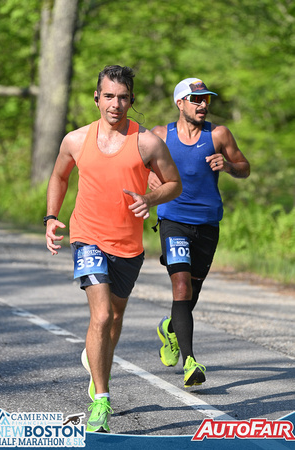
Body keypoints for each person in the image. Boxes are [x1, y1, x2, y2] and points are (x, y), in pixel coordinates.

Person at [44, 65, 182, 433]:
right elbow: (59, 176)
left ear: (131, 100)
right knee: (102, 316)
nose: (115, 104)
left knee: (115, 318)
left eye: (123, 97)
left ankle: (97, 365)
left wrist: (150, 198)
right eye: (108, 96)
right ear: (96, 98)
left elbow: (174, 184)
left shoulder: (147, 142)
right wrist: (51, 217)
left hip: (128, 245)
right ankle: (102, 400)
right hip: (87, 235)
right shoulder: (76, 140)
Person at [148, 77, 250, 388]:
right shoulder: (160, 135)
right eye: (196, 100)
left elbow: (244, 167)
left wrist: (228, 166)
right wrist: (147, 181)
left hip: (207, 223)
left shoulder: (218, 134)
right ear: (180, 103)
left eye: (206, 99)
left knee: (192, 290)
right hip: (173, 219)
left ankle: (169, 327)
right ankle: (190, 361)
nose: (203, 104)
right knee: (181, 287)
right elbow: (134, 165)